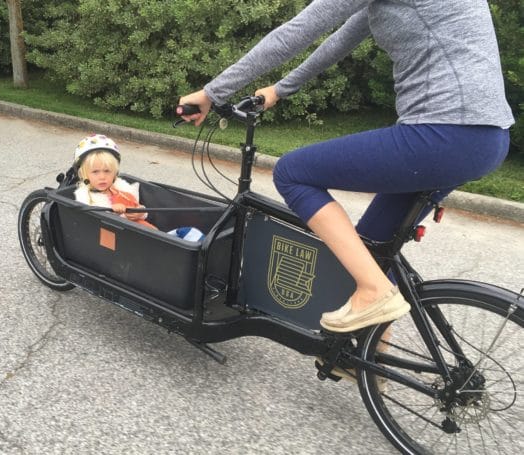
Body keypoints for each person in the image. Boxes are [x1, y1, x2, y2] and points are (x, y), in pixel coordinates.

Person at [179, 0, 514, 333]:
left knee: (293, 172)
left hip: (444, 134)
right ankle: (372, 352)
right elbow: (341, 38)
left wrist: (212, 93)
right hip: (485, 138)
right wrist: (280, 90)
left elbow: (296, 33)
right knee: (371, 245)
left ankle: (375, 290)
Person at [73, 134, 157, 229]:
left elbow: (136, 205)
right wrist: (113, 212)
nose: (102, 177)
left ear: (115, 173)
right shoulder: (86, 197)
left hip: (143, 231)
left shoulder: (120, 190)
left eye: (107, 171)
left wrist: (140, 212)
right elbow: (94, 221)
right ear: (84, 174)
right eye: (95, 172)